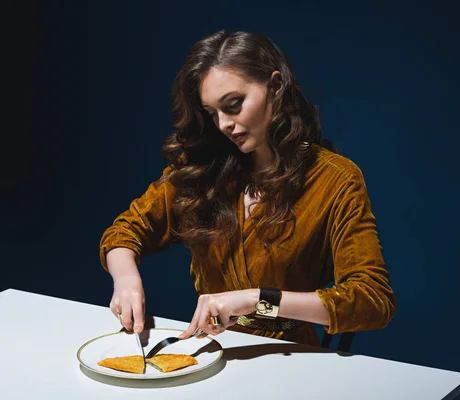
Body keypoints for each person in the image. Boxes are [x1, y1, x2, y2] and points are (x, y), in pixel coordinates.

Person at [99, 30, 396, 347]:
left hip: (292, 358)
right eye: (213, 113)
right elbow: (125, 231)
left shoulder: (334, 179)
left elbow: (372, 300)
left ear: (276, 86)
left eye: (234, 104)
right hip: (212, 350)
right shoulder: (203, 169)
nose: (224, 124)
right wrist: (126, 279)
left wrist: (258, 301)